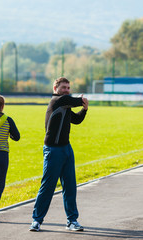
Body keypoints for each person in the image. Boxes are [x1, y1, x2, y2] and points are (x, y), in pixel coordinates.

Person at [29, 77, 89, 232]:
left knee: (70, 187)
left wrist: (85, 110)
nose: (67, 90)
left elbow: (76, 120)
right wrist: (82, 100)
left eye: (68, 87)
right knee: (48, 187)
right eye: (63, 87)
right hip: (53, 151)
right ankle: (36, 220)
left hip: (66, 149)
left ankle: (72, 221)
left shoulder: (66, 104)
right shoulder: (57, 101)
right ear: (55, 89)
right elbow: (74, 100)